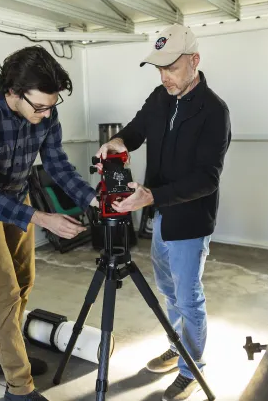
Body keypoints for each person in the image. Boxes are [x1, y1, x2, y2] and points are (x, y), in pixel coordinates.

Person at [0, 45, 98, 401]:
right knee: (6, 290)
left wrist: (94, 198)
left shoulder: (45, 110)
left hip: (16, 193)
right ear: (12, 91)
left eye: (52, 106)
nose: (46, 115)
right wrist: (42, 218)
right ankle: (18, 388)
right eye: (40, 107)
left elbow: (58, 165)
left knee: (26, 278)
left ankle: (3, 353)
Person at [96, 24, 231, 401]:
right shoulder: (159, 97)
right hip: (159, 217)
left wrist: (151, 195)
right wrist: (115, 143)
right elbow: (134, 132)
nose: (164, 76)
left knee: (188, 297)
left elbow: (207, 179)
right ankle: (177, 347)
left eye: (171, 67)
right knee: (169, 290)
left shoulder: (214, 112)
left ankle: (192, 369)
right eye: (159, 68)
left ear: (194, 61)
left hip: (189, 220)